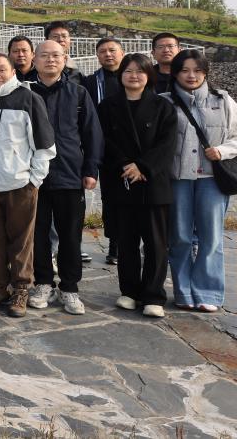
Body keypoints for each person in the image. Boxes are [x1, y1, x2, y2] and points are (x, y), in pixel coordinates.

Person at [0, 53, 56, 317]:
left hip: (20, 184)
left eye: (1, 70)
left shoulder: (28, 99)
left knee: (21, 241)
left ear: (12, 71)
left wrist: (34, 180)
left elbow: (44, 144)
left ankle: (21, 288)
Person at [98, 53, 177, 317]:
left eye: (140, 71)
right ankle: (129, 292)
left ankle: (153, 295)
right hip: (121, 181)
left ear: (148, 75)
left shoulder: (163, 106)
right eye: (128, 71)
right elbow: (104, 141)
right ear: (121, 75)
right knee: (126, 241)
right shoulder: (108, 106)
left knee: (156, 243)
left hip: (153, 182)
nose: (134, 76)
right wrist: (125, 165)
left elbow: (167, 143)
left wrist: (143, 167)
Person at [28, 41, 103, 316]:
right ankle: (43, 283)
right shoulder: (24, 92)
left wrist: (91, 170)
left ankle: (70, 287)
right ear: (34, 60)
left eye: (56, 55)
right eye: (44, 55)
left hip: (69, 174)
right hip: (33, 176)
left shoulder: (78, 93)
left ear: (64, 59)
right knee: (37, 234)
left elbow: (92, 133)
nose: (50, 60)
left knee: (70, 235)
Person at [165, 49, 237, 314]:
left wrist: (223, 151)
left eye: (197, 70)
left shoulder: (224, 101)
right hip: (177, 178)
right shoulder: (164, 102)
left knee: (211, 237)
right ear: (175, 73)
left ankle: (208, 292)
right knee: (180, 236)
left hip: (211, 179)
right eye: (184, 70)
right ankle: (183, 292)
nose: (191, 75)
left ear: (206, 72)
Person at [82, 37, 124, 264]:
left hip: (131, 149)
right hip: (105, 148)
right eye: (103, 51)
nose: (108, 54)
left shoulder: (134, 77)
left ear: (122, 53)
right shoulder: (91, 82)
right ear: (97, 55)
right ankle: (115, 246)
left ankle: (133, 243)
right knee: (110, 199)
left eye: (112, 50)